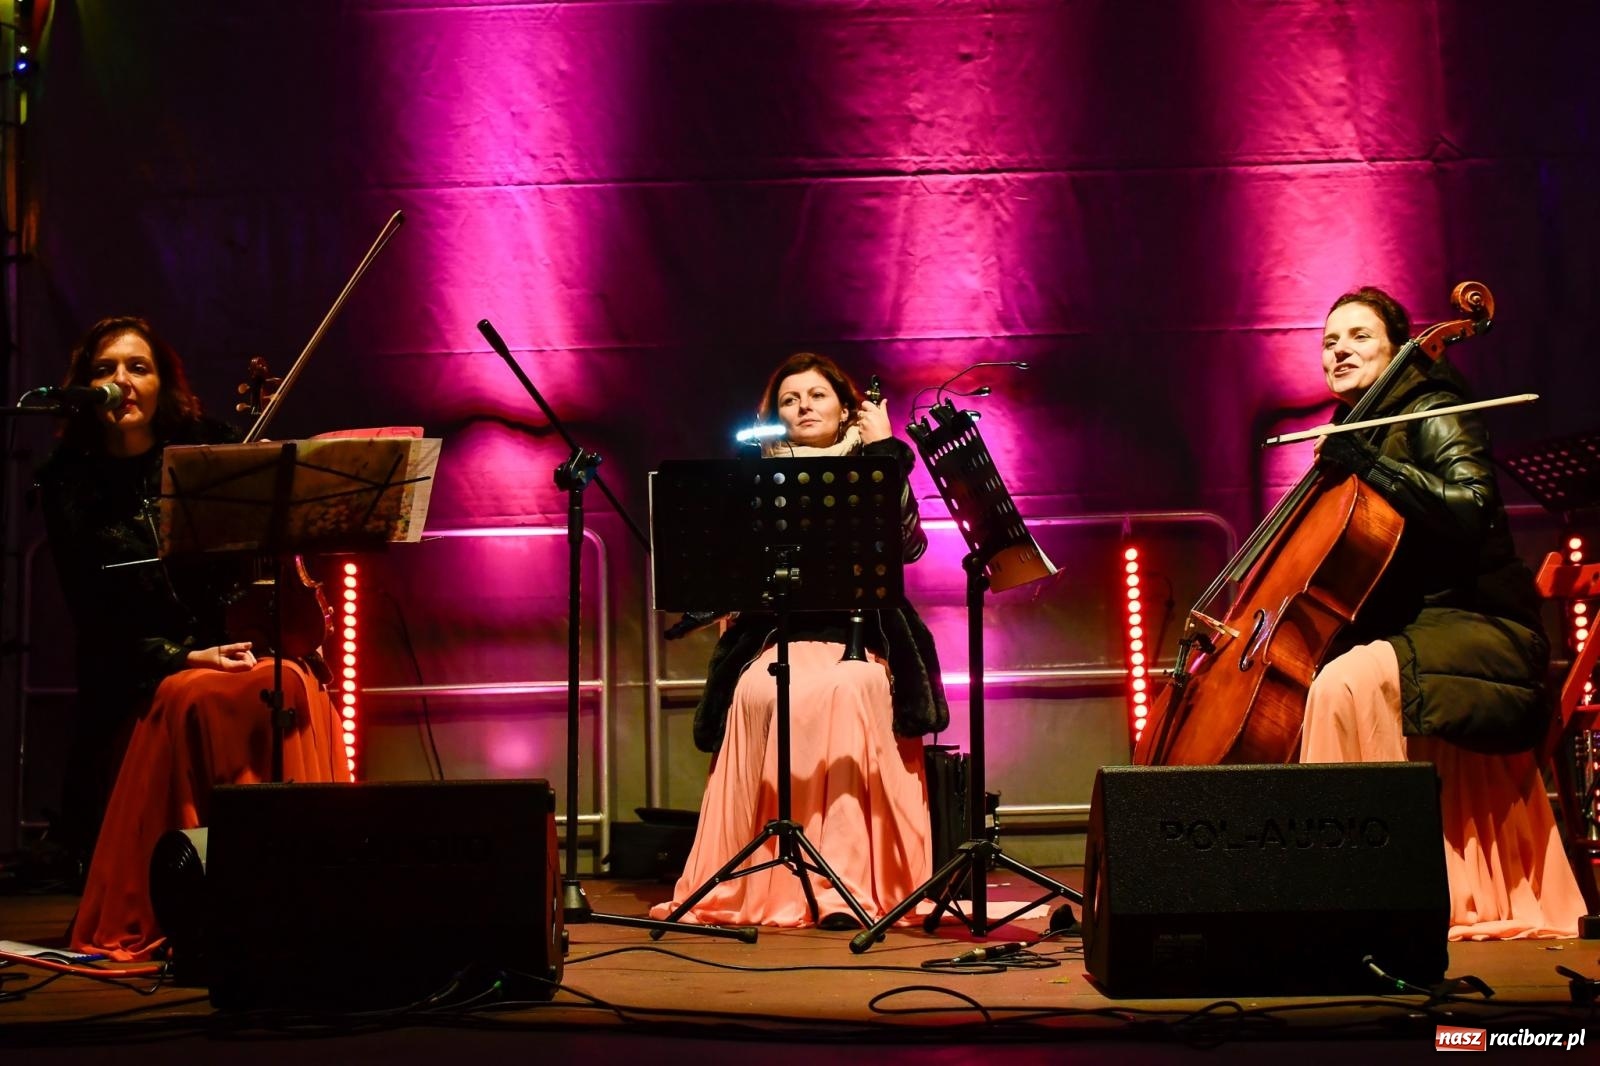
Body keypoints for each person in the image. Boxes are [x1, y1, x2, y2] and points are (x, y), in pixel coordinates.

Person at [34, 315, 351, 961]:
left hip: (235, 647)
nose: (120, 381)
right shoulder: (68, 479)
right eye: (104, 369)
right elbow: (92, 612)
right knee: (193, 695)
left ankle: (298, 892)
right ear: (82, 386)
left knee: (287, 679)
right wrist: (182, 655)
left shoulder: (210, 450)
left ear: (163, 385)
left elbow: (263, 553)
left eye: (137, 367)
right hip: (136, 668)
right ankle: (187, 899)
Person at [1300, 286, 1587, 939]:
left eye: (1358, 336)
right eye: (1328, 340)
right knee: (1324, 677)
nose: (1339, 348)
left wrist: (1369, 461)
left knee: (1346, 685)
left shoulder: (1436, 407)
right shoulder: (1357, 432)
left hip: (1485, 626)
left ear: (1402, 350)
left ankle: (1377, 892)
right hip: (1424, 628)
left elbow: (1471, 509)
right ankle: (1338, 893)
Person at [651, 352, 948, 929]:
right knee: (760, 691)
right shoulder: (757, 478)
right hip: (780, 634)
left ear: (846, 408)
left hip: (863, 635)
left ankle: (847, 886)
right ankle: (765, 877)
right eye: (790, 399)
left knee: (846, 688)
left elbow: (909, 547)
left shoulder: (873, 465)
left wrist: (885, 451)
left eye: (816, 395)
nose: (803, 406)